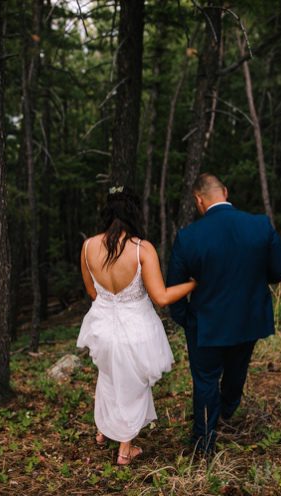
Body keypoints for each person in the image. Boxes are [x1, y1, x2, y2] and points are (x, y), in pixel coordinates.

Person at [166, 173, 281, 454]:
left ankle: (204, 444)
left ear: (199, 200)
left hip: (206, 324)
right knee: (236, 371)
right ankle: (227, 410)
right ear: (225, 191)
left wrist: (185, 318)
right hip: (248, 319)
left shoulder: (189, 237)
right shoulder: (259, 225)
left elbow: (173, 286)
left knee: (205, 381)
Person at [77, 189, 196, 465]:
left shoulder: (88, 247)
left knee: (108, 376)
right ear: (134, 213)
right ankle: (125, 449)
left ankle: (102, 432)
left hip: (102, 326)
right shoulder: (142, 248)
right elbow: (162, 298)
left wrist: (111, 304)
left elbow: (92, 292)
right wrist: (193, 283)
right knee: (134, 385)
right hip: (137, 328)